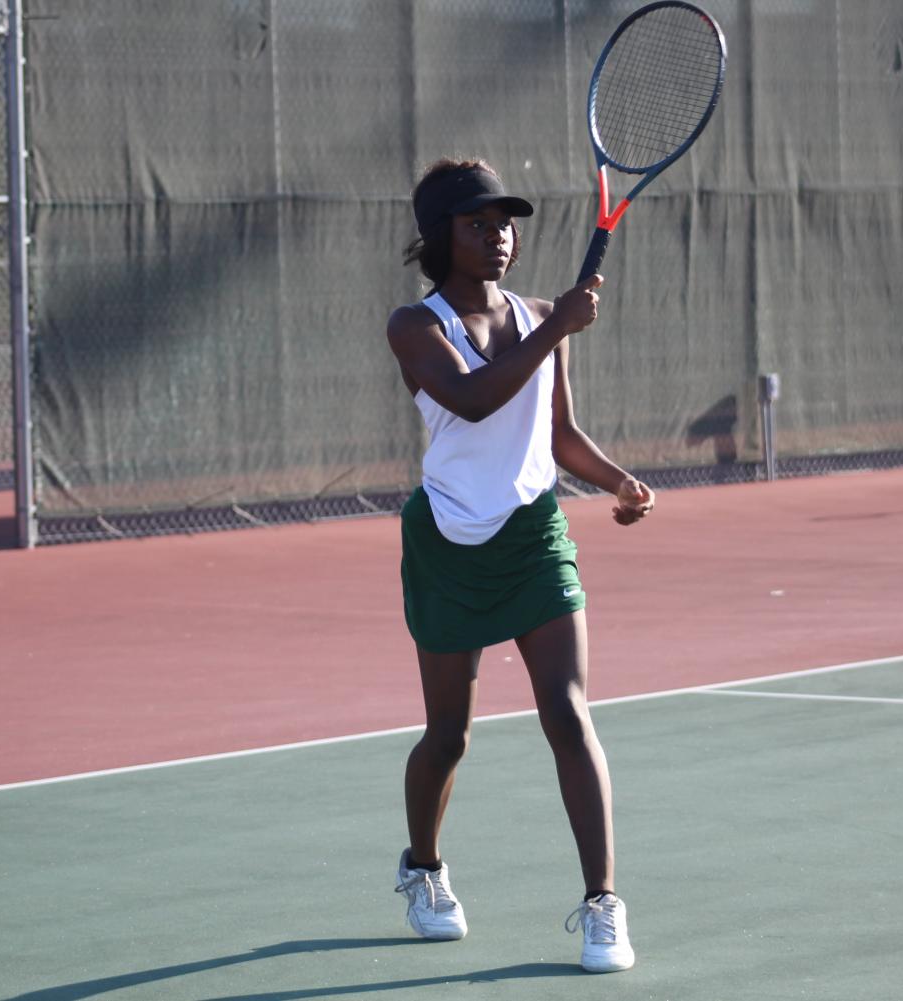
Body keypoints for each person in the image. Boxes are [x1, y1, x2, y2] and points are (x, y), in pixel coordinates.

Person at [385, 157, 655, 975]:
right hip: (447, 547)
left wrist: (614, 479)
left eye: (506, 221)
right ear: (442, 238)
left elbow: (556, 432)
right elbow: (470, 399)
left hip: (535, 538)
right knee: (447, 734)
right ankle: (423, 869)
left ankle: (603, 902)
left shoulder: (540, 314)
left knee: (568, 713)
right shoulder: (414, 325)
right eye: (478, 222)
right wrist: (554, 329)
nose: (499, 234)